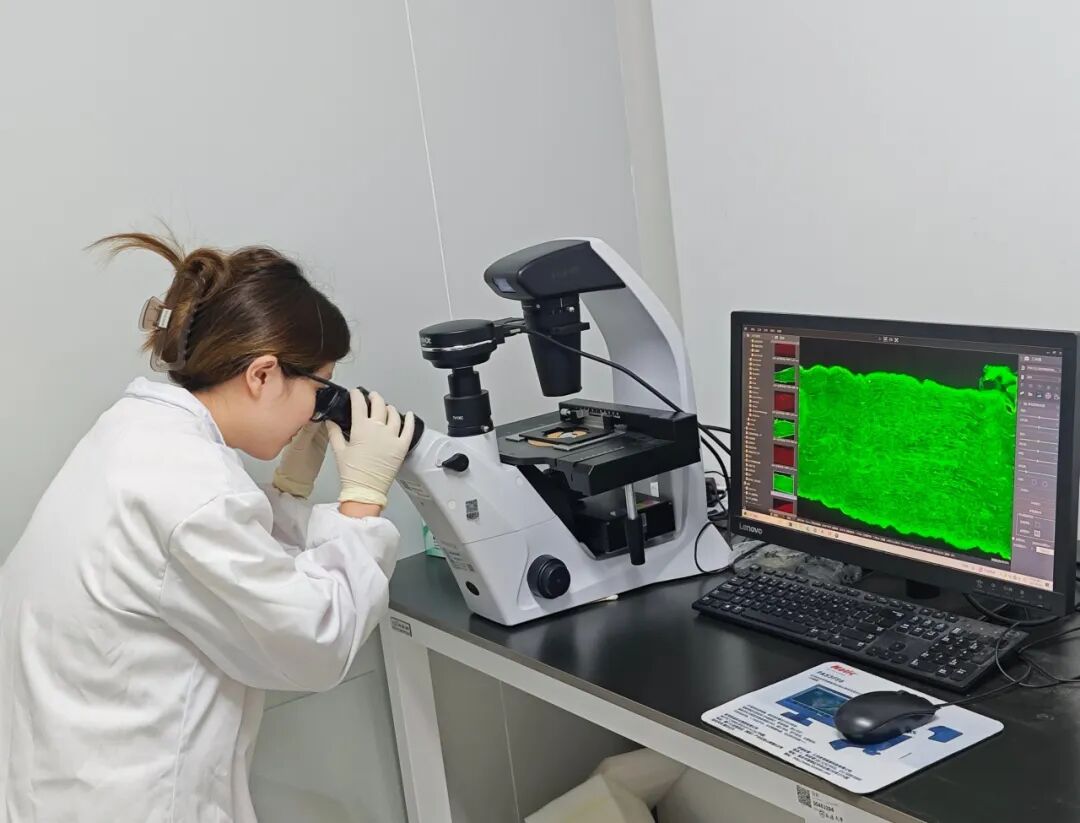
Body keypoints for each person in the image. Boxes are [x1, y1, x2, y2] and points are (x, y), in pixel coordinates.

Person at [0, 233, 415, 823]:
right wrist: (363, 504)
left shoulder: (138, 435)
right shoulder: (194, 489)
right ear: (263, 374)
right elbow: (316, 645)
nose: (316, 411)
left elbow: (225, 574)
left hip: (68, 783)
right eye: (319, 390)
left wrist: (288, 491)